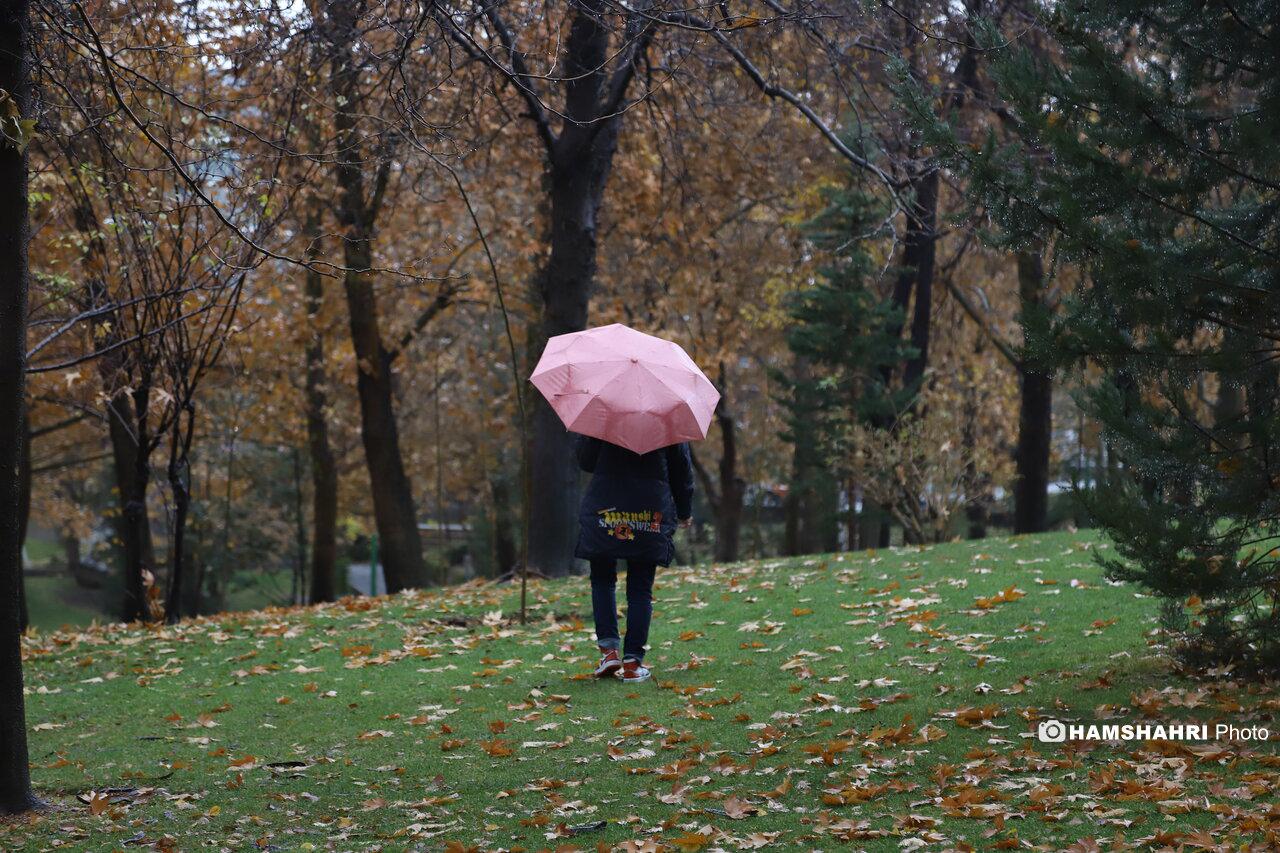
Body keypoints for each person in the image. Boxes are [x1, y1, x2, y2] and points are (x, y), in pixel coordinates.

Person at [574, 434, 694, 683]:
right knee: (640, 588)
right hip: (649, 510)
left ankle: (609, 653)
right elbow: (680, 468)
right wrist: (684, 510)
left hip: (605, 507)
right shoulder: (666, 417)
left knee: (602, 579)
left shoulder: (604, 414)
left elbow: (586, 461)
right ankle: (632, 662)